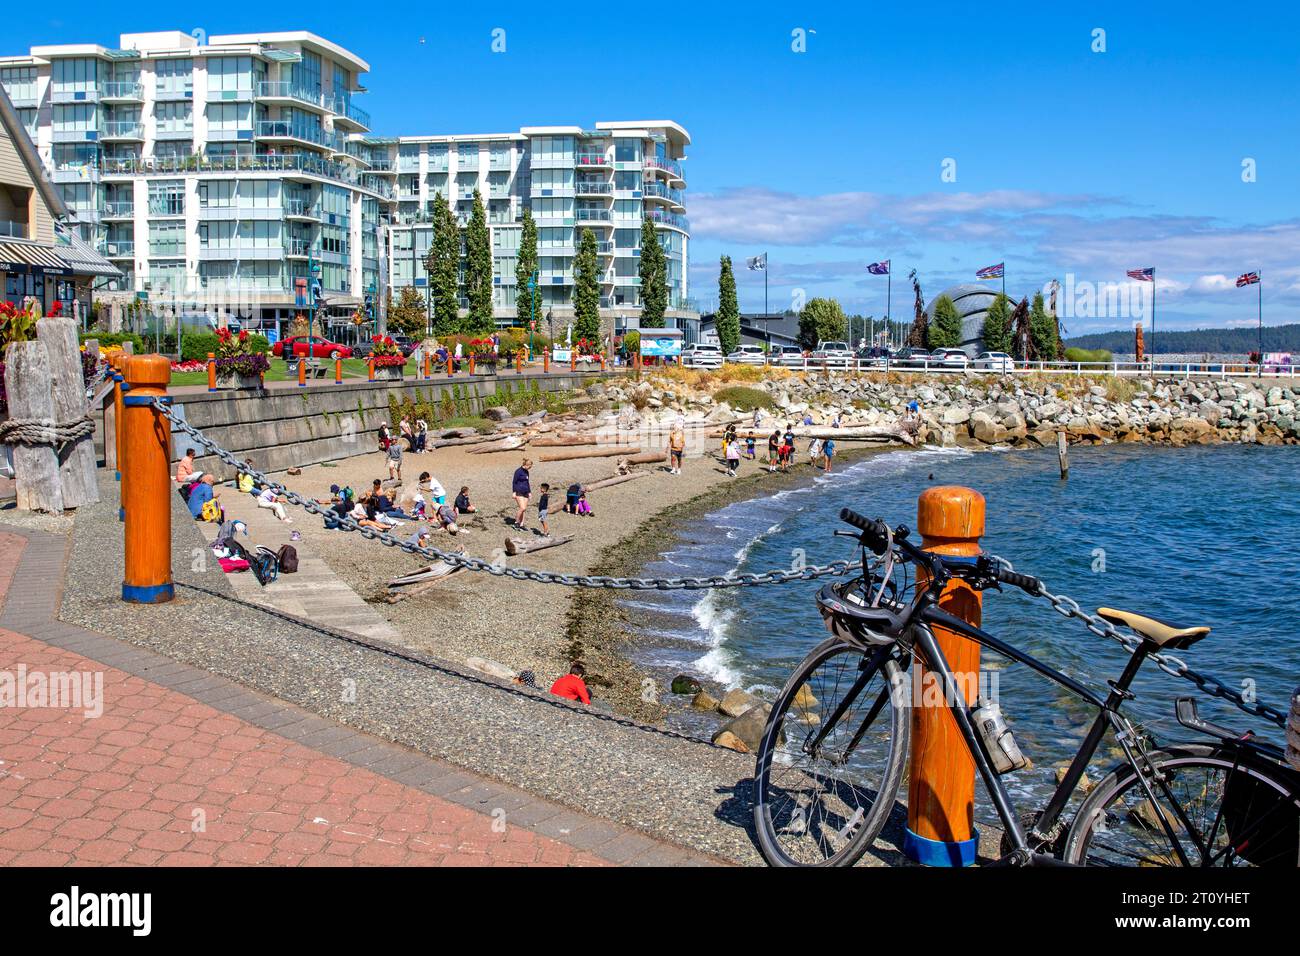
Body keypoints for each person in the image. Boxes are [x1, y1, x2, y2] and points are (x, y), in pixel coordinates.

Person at [512, 458, 532, 531]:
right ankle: (516, 522)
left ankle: (522, 524)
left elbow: (527, 482)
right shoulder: (518, 471)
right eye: (530, 466)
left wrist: (529, 492)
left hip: (526, 492)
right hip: (519, 492)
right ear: (526, 465)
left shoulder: (527, 472)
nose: (530, 468)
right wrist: (514, 492)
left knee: (524, 509)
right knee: (522, 508)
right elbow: (514, 482)